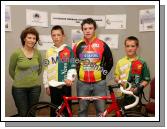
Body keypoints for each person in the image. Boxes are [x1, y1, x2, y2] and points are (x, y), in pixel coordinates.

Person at [73, 18, 113, 117]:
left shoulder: (102, 44)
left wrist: (102, 74)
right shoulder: (77, 45)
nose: (87, 30)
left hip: (99, 83)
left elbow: (110, 62)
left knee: (101, 110)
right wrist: (78, 74)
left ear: (94, 29)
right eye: (85, 28)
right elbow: (74, 62)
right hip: (82, 83)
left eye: (90, 28)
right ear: (82, 30)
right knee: (82, 110)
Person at [43, 25, 76, 117]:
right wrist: (46, 85)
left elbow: (72, 67)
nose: (56, 37)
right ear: (51, 37)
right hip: (53, 86)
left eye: (58, 35)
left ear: (63, 36)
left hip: (65, 86)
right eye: (54, 35)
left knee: (66, 111)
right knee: (54, 111)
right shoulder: (48, 51)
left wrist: (70, 79)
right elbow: (46, 69)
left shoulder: (69, 50)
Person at [9, 26, 42, 116]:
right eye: (29, 37)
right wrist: (19, 79)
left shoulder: (38, 53)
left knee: (32, 113)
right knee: (23, 113)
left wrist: (32, 77)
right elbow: (11, 70)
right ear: (24, 38)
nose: (31, 40)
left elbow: (39, 68)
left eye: (34, 38)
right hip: (19, 89)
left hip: (35, 88)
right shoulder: (16, 53)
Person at [114, 36, 151, 108]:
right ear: (125, 47)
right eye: (127, 46)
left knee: (133, 115)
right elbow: (116, 77)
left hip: (134, 95)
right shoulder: (120, 62)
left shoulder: (142, 62)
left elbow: (146, 79)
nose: (130, 48)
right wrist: (119, 81)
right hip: (121, 93)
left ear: (137, 47)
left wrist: (138, 88)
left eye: (132, 46)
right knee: (120, 113)